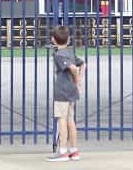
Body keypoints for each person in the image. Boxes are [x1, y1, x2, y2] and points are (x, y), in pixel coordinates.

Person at [47, 25, 84, 162]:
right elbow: (82, 64)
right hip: (71, 91)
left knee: (61, 120)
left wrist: (77, 79)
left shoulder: (59, 55)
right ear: (68, 40)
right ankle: (74, 150)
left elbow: (74, 68)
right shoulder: (70, 52)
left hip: (63, 91)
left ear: (53, 39)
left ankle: (63, 151)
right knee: (70, 120)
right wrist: (78, 82)